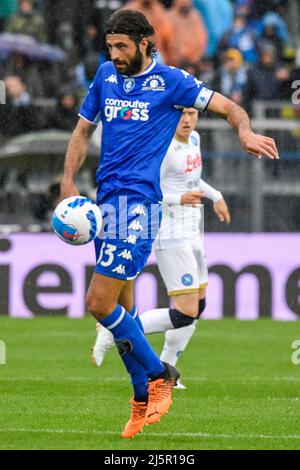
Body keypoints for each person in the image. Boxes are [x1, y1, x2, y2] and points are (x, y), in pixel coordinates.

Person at [59, 9, 278, 439]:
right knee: (123, 309)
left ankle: (161, 374)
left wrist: (245, 132)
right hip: (106, 205)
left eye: (122, 46)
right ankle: (141, 398)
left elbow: (231, 106)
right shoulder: (104, 75)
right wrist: (68, 182)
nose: (115, 54)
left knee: (99, 305)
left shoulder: (171, 82)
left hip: (139, 207)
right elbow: (83, 131)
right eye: (110, 46)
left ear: (144, 42)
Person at [92, 107, 231, 391]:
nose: (188, 119)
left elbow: (192, 181)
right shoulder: (163, 148)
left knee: (198, 306)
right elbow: (149, 189)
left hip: (194, 231)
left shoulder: (195, 139)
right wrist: (180, 198)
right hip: (171, 234)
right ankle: (114, 329)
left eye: (193, 113)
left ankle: (168, 372)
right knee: (185, 312)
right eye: (182, 114)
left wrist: (216, 196)